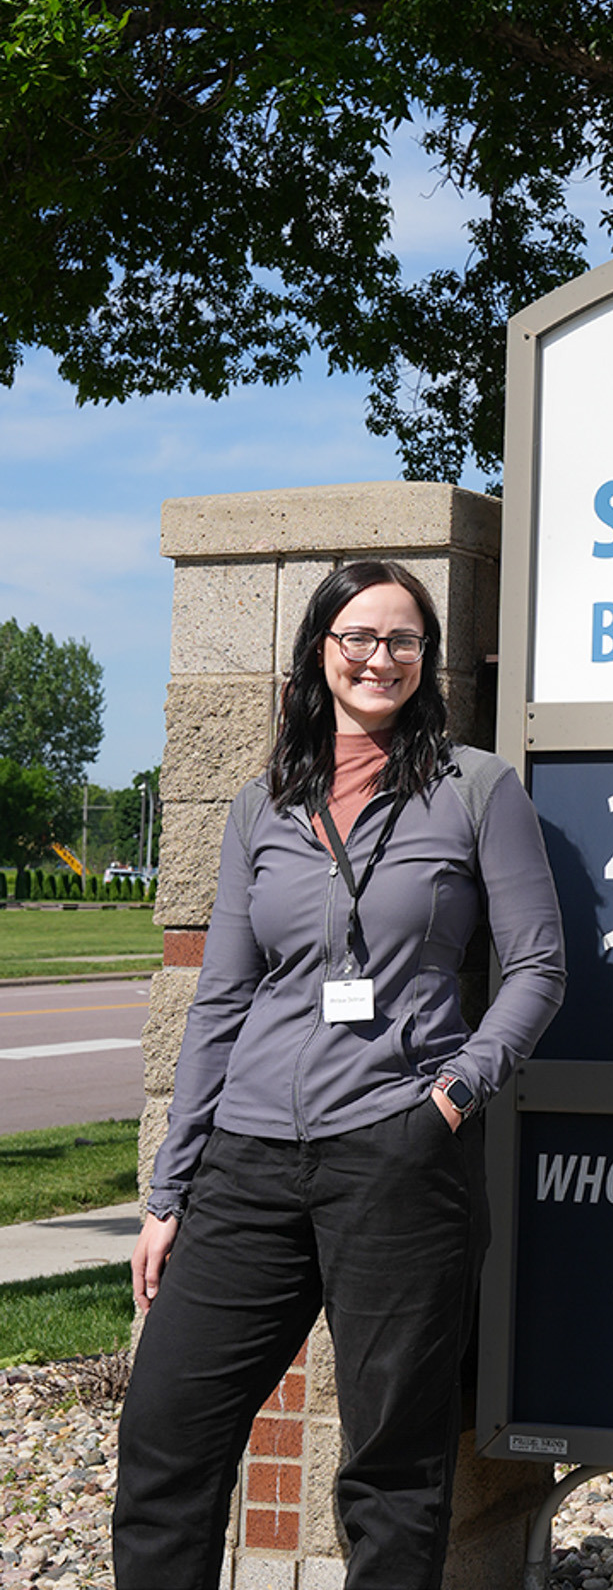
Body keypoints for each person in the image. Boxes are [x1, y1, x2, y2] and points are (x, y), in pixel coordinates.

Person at [113, 560, 566, 1590]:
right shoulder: (261, 805)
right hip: (249, 1162)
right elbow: (220, 1002)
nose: (381, 656)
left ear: (427, 660)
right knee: (167, 1437)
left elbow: (538, 967)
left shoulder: (477, 789)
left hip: (400, 1163)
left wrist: (451, 1094)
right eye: (359, 635)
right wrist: (169, 1190)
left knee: (392, 1473)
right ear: (321, 648)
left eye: (405, 639)